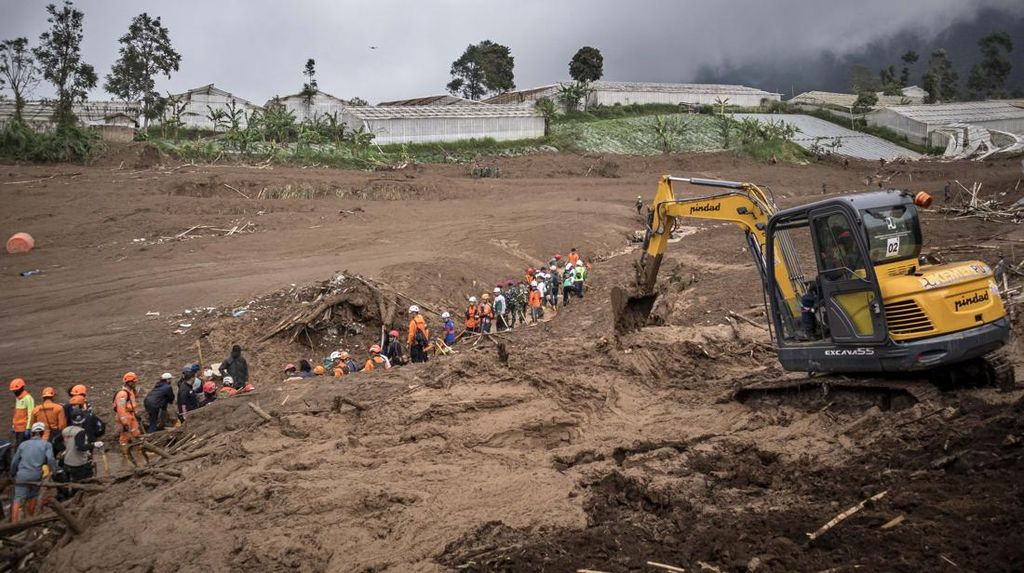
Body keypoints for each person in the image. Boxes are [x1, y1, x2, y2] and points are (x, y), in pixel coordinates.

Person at [10, 422, 58, 522]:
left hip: (22, 475)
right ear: (42, 433)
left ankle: (14, 523)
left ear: (32, 433)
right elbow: (50, 459)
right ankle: (29, 520)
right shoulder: (46, 444)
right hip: (36, 475)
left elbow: (14, 461)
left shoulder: (23, 444)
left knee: (18, 498)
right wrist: (54, 471)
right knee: (33, 496)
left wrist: (13, 473)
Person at [62, 400, 102, 484]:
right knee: (86, 480)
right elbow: (80, 447)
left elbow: (62, 443)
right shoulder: (81, 432)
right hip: (78, 465)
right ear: (83, 419)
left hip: (67, 463)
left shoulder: (65, 430)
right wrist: (93, 444)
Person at [114, 372, 146, 467]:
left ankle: (139, 454)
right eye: (134, 382)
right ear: (129, 382)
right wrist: (124, 423)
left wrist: (136, 414)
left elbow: (132, 404)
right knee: (124, 437)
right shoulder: (122, 394)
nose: (135, 384)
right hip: (125, 417)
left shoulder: (130, 392)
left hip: (131, 415)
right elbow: (120, 409)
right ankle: (126, 456)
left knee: (136, 434)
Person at [31, 387, 66, 452]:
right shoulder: (59, 408)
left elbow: (33, 426)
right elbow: (62, 426)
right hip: (54, 439)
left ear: (43, 397)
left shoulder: (36, 409)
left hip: (41, 438)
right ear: (52, 397)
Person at [9, 378, 35, 447]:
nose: (14, 392)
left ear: (21, 388)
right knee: (17, 446)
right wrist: (13, 426)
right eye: (13, 391)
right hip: (17, 428)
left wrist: (28, 428)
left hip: (24, 429)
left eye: (15, 390)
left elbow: (31, 414)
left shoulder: (28, 398)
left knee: (21, 448)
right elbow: (17, 413)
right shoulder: (18, 398)